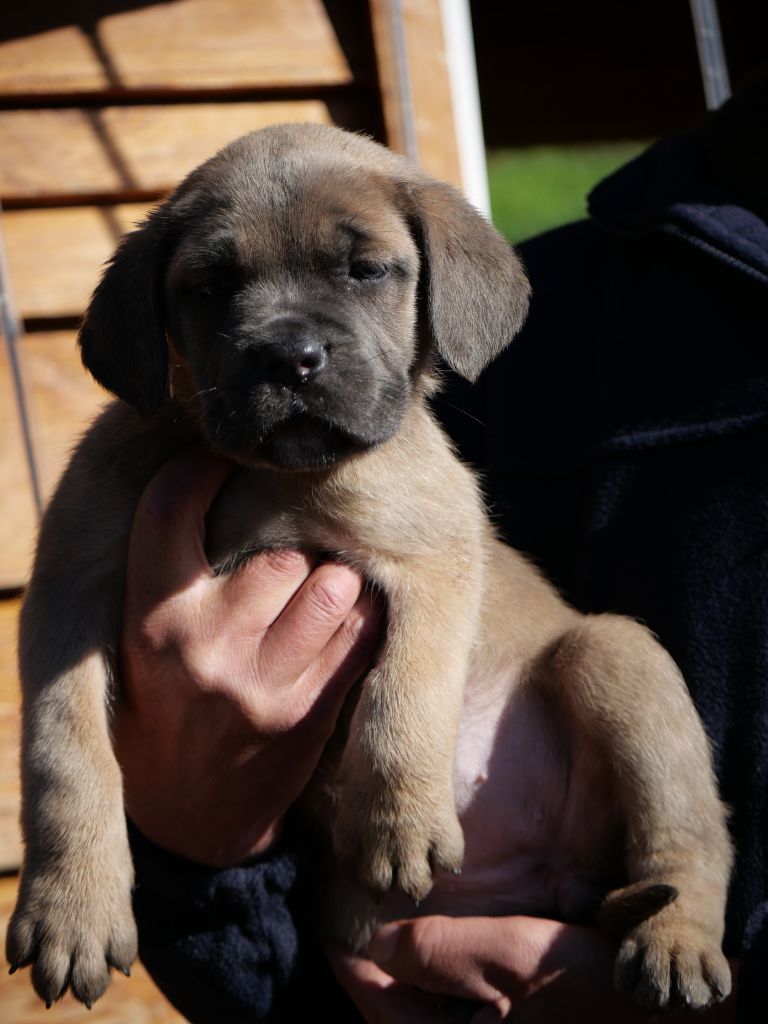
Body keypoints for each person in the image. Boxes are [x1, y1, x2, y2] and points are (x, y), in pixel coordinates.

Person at [113, 67, 768, 1022]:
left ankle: (680, 885)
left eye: (360, 272)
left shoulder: (452, 313)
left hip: (589, 858)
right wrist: (196, 845)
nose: (297, 345)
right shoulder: (491, 352)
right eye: (217, 286)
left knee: (618, 659)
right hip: (386, 936)